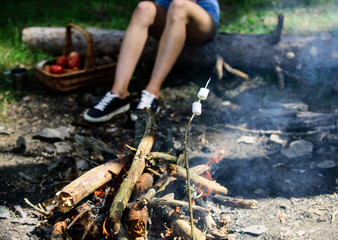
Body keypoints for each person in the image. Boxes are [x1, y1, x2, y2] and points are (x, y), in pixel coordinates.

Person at [84, 0, 220, 123]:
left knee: (180, 5)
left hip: (202, 15)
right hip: (168, 10)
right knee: (143, 9)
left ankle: (152, 92)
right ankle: (118, 93)